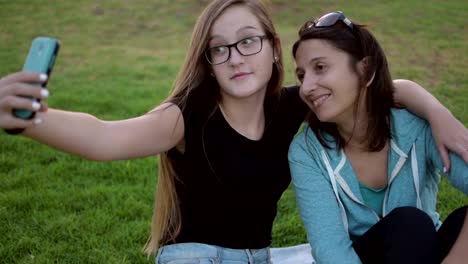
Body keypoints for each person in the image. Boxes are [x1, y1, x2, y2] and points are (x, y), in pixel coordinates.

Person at [1, 1, 467, 263]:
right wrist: (33, 119)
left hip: (265, 260)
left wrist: (437, 112)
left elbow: (385, 86)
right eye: (218, 49)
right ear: (207, 62)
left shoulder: (295, 105)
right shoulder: (188, 114)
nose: (236, 57)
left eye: (247, 41)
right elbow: (106, 136)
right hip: (195, 259)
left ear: (272, 49)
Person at [288, 11, 468, 264]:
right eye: (301, 75)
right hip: (362, 257)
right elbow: (331, 250)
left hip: (424, 250)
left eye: (320, 67)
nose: (306, 87)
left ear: (366, 70)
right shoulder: (306, 151)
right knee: (409, 224)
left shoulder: (417, 126)